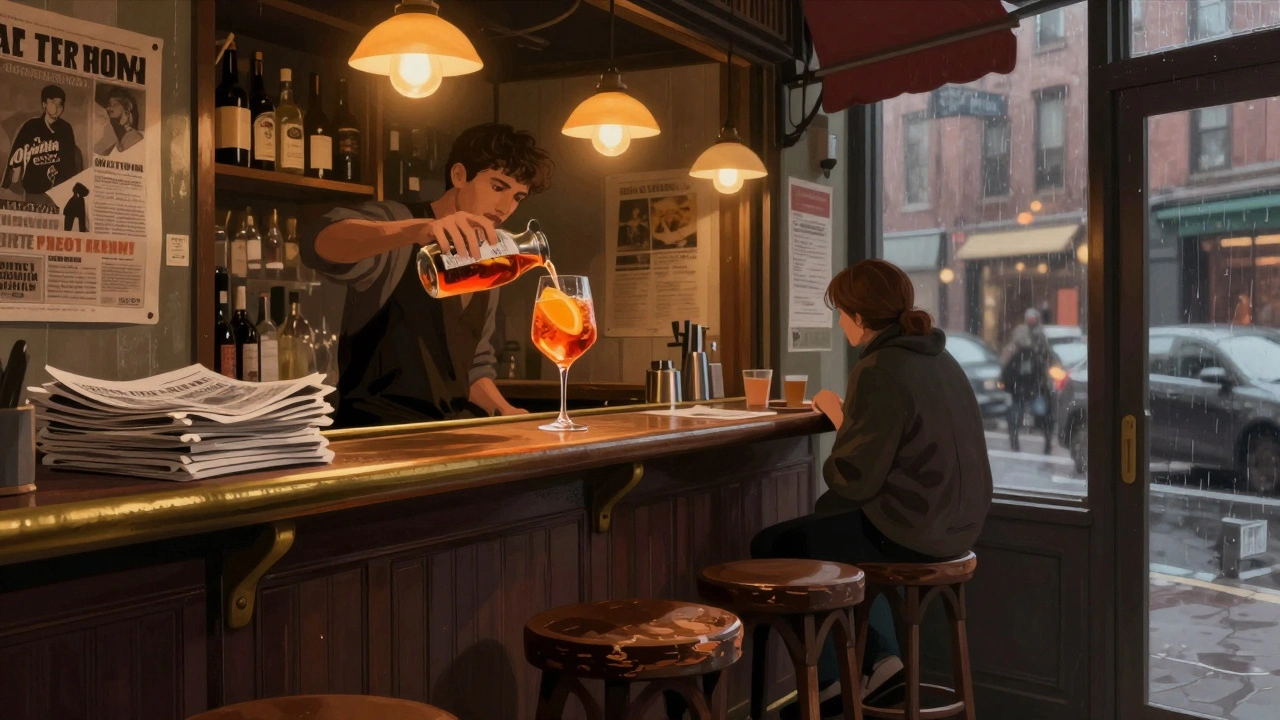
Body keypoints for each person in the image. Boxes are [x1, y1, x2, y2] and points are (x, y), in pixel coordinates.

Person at [755, 259, 993, 718]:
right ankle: (881, 662)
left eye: (842, 311)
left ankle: (827, 686)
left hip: (914, 531)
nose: (839, 320)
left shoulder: (879, 367)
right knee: (837, 537)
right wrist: (855, 420)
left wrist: (836, 414)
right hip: (957, 527)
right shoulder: (940, 358)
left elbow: (852, 477)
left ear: (860, 317)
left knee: (777, 546)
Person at [301, 123, 554, 427]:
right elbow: (321, 242)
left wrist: (505, 410)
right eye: (498, 187)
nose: (505, 207)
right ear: (459, 176)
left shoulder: (493, 260)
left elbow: (473, 371)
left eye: (517, 197)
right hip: (375, 439)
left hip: (445, 435)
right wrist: (419, 229)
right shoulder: (399, 224)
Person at [3, 84, 81, 197]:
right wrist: (8, 184)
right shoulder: (30, 126)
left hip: (58, 192)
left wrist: (69, 188)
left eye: (60, 104)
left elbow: (69, 162)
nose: (57, 107)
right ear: (44, 104)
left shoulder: (66, 128)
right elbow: (15, 159)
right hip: (33, 189)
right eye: (53, 102)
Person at [1000, 308, 1054, 453]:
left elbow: (1048, 359)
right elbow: (1006, 363)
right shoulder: (1018, 342)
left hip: (1036, 385)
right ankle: (1014, 441)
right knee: (1016, 415)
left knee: (1043, 415)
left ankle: (1047, 443)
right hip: (1020, 386)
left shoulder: (1041, 338)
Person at [95, 87, 144, 156]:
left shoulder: (135, 137)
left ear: (125, 106)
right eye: (108, 105)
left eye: (112, 104)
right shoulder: (109, 132)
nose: (107, 109)